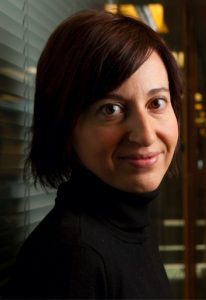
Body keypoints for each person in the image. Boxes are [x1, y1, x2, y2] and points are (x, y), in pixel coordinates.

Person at [3, 9, 182, 299]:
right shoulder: (75, 257)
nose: (146, 134)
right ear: (64, 126)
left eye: (157, 103)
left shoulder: (128, 226)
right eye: (111, 109)